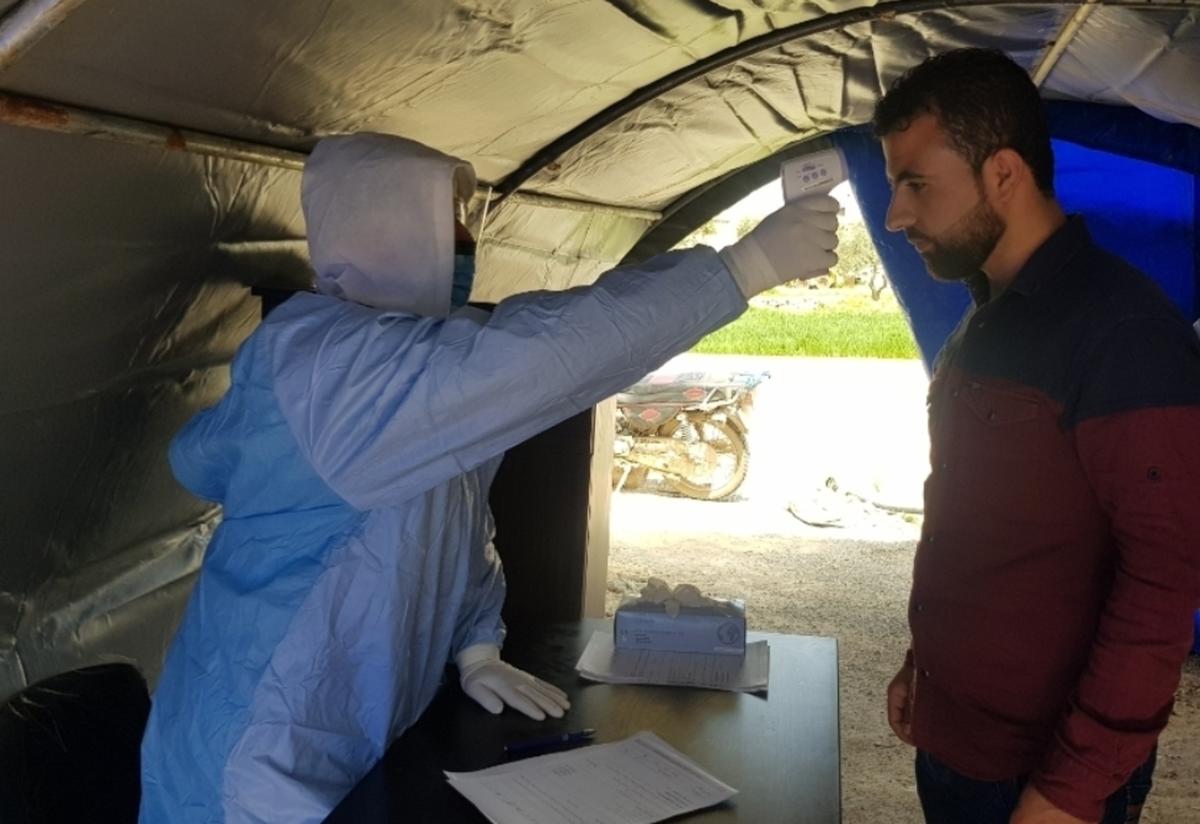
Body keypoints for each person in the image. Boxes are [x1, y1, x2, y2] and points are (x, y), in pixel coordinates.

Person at [138, 132, 840, 823]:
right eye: (446, 220)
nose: (465, 241)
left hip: (354, 733)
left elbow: (457, 522)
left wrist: (477, 645)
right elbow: (541, 349)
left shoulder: (411, 359)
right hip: (257, 752)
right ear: (381, 227)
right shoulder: (322, 360)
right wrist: (737, 270)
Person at [875, 48, 1200, 824]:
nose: (895, 216)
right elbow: (976, 523)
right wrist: (929, 666)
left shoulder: (1121, 332)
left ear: (1005, 176)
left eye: (916, 183)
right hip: (955, 741)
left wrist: (1069, 791)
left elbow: (1163, 581)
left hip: (1038, 778)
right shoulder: (986, 313)